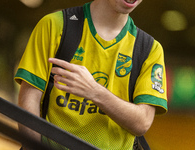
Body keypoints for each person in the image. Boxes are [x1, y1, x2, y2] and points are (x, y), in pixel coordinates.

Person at [15, 0, 168, 149]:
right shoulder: (54, 25)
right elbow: (29, 99)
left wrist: (95, 92)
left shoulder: (149, 50)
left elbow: (142, 123)